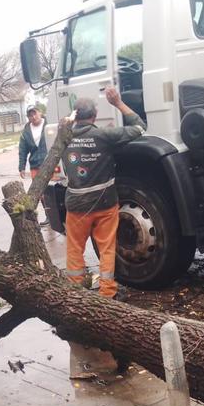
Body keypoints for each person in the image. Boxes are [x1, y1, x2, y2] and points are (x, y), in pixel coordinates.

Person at [61, 88, 147, 299]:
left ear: (75, 115)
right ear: (95, 115)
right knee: (107, 248)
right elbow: (139, 126)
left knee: (74, 249)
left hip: (76, 206)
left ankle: (75, 293)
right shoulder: (105, 136)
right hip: (105, 203)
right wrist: (118, 103)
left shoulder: (64, 137)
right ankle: (107, 292)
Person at [18, 108, 48, 179]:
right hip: (35, 166)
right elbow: (22, 151)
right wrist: (22, 168)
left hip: (50, 164)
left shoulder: (49, 125)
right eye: (30, 115)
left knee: (53, 185)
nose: (34, 117)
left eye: (35, 114)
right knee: (37, 186)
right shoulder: (26, 132)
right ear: (28, 118)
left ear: (40, 113)